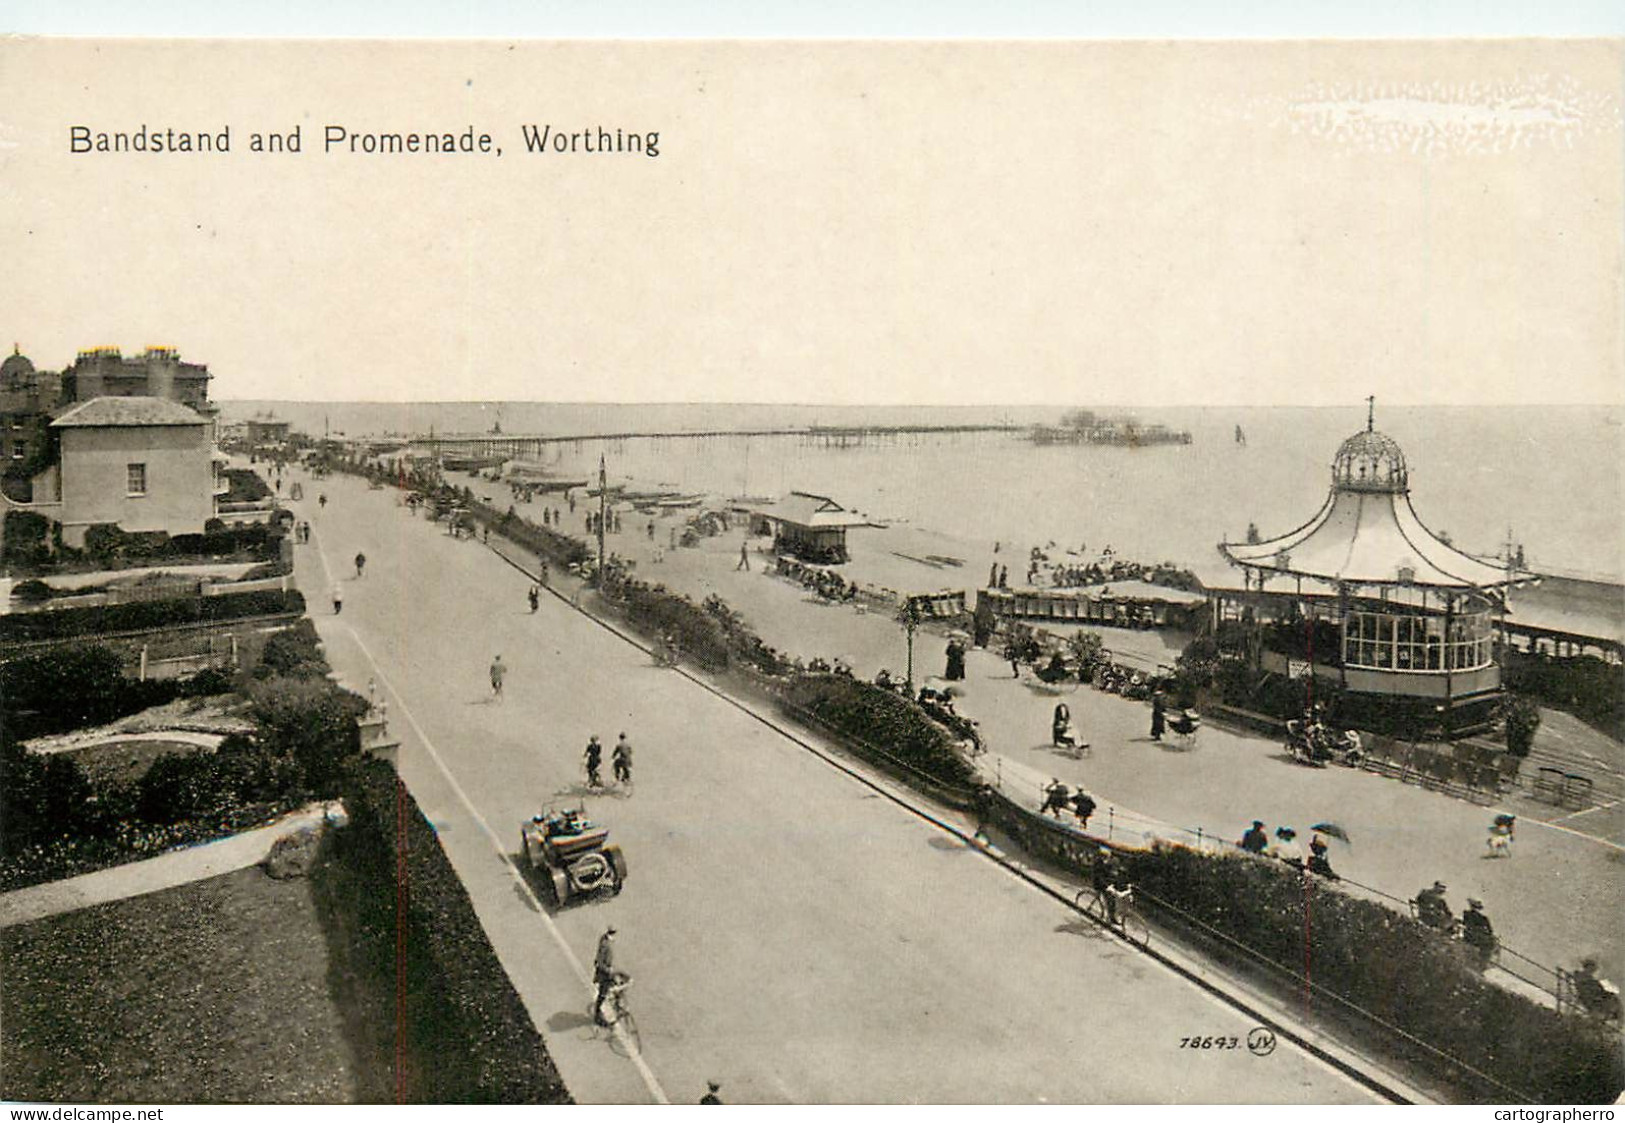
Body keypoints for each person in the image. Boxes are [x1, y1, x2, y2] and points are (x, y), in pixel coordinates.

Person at [593, 927, 619, 1026]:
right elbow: (599, 962)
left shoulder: (604, 940)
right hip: (603, 973)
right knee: (602, 993)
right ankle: (597, 1015)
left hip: (607, 970)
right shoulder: (605, 945)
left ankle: (615, 1003)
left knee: (614, 984)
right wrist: (608, 970)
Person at [1460, 899, 1495, 965]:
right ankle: (1483, 961)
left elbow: (1465, 924)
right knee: (1486, 946)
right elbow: (1490, 930)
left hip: (1469, 936)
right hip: (1478, 938)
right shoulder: (1483, 918)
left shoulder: (1467, 914)